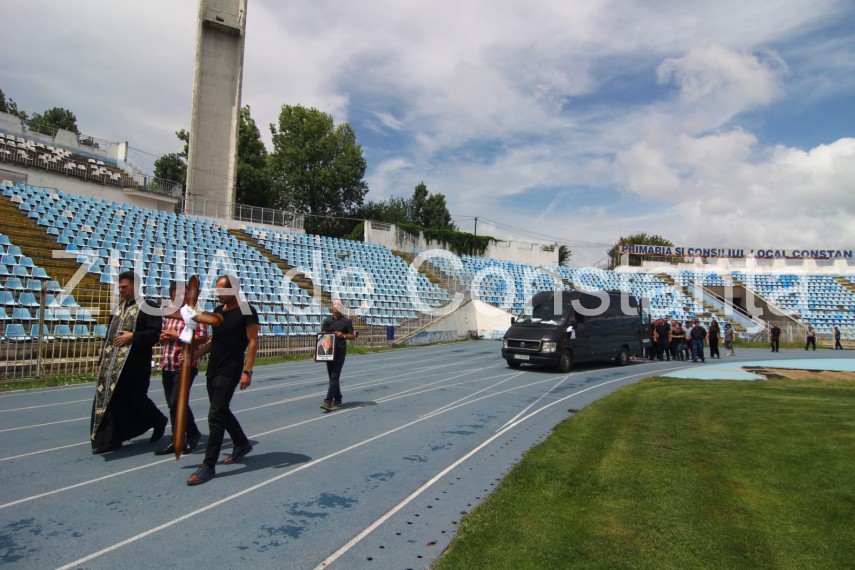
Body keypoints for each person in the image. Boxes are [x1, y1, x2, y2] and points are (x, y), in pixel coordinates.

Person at [186, 275, 259, 486]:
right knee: (221, 409)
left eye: (221, 290)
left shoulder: (246, 309)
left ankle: (208, 465)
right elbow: (212, 341)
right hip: (213, 368)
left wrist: (248, 371)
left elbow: (253, 342)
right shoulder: (217, 312)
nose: (217, 294)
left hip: (231, 368)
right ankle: (242, 443)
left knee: (215, 415)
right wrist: (194, 356)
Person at [91, 271, 168, 454]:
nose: (121, 290)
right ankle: (111, 440)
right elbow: (109, 338)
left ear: (135, 286)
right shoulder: (119, 309)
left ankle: (157, 420)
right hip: (113, 366)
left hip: (136, 364)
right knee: (113, 402)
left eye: (124, 287)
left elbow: (155, 334)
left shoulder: (149, 307)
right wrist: (101, 360)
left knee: (137, 398)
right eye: (119, 287)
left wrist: (134, 336)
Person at [154, 281, 208, 456]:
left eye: (185, 294)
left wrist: (177, 336)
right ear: (171, 295)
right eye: (177, 294)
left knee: (177, 402)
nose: (181, 297)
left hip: (184, 365)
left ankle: (189, 436)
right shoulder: (169, 314)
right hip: (167, 363)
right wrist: (163, 337)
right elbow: (163, 335)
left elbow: (202, 337)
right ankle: (180, 437)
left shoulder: (195, 314)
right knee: (173, 405)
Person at [320, 299, 356, 411]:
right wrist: (317, 352)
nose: (336, 307)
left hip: (340, 351)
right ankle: (338, 398)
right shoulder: (327, 321)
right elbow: (322, 337)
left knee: (335, 376)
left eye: (338, 305)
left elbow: (353, 336)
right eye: (335, 305)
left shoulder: (346, 321)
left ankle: (328, 401)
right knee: (332, 377)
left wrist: (343, 335)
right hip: (329, 352)